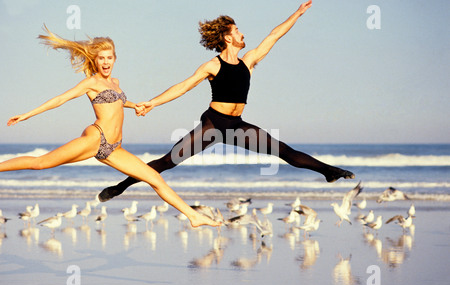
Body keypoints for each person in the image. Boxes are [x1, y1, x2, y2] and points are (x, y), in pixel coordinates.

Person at [98, 0, 354, 202]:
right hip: (213, 123)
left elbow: (273, 36)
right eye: (238, 31)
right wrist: (152, 103)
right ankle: (120, 186)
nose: (243, 35)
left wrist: (297, 14)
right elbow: (184, 86)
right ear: (228, 37)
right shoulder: (213, 64)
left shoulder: (248, 61)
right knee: (168, 161)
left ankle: (329, 171)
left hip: (236, 125)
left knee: (283, 150)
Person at [2, 26, 220, 228]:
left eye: (109, 58)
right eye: (101, 59)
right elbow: (61, 99)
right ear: (95, 61)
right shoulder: (92, 83)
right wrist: (28, 115)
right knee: (42, 163)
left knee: (155, 178)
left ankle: (193, 216)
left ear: (114, 59)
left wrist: (136, 105)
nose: (105, 62)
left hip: (114, 147)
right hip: (96, 138)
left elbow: (117, 102)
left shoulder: (115, 82)